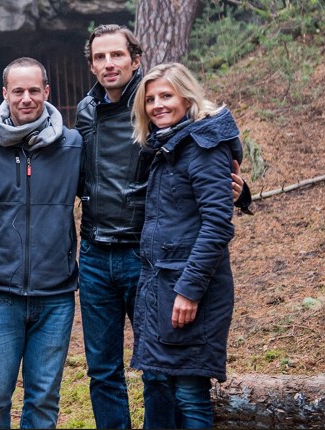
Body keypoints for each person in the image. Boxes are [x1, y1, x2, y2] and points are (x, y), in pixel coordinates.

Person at [74, 24, 251, 429]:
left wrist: (239, 190)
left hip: (147, 254)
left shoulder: (157, 107)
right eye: (100, 57)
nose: (108, 63)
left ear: (135, 59)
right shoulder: (87, 112)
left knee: (159, 369)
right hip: (96, 252)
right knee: (102, 369)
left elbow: (203, 164)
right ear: (92, 66)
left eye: (117, 55)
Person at [130, 62, 241, 429]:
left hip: (190, 290)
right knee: (166, 386)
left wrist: (189, 291)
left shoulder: (203, 145)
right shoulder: (169, 145)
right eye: (150, 99)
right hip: (163, 286)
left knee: (191, 395)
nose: (157, 105)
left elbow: (217, 225)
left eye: (167, 95)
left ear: (187, 97)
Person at [0, 57, 83, 429]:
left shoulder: (72, 145)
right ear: (4, 93)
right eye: (17, 90)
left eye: (34, 90)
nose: (26, 98)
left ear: (46, 92)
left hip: (55, 295)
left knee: (44, 400)